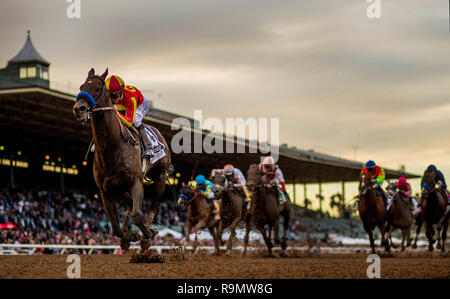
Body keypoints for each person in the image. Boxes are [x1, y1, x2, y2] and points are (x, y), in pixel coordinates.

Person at [105, 75, 153, 158]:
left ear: (121, 93)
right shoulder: (112, 97)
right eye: (109, 96)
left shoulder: (130, 98)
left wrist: (116, 112)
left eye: (114, 96)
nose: (112, 100)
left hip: (140, 104)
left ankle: (149, 147)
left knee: (136, 120)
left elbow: (129, 122)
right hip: (123, 105)